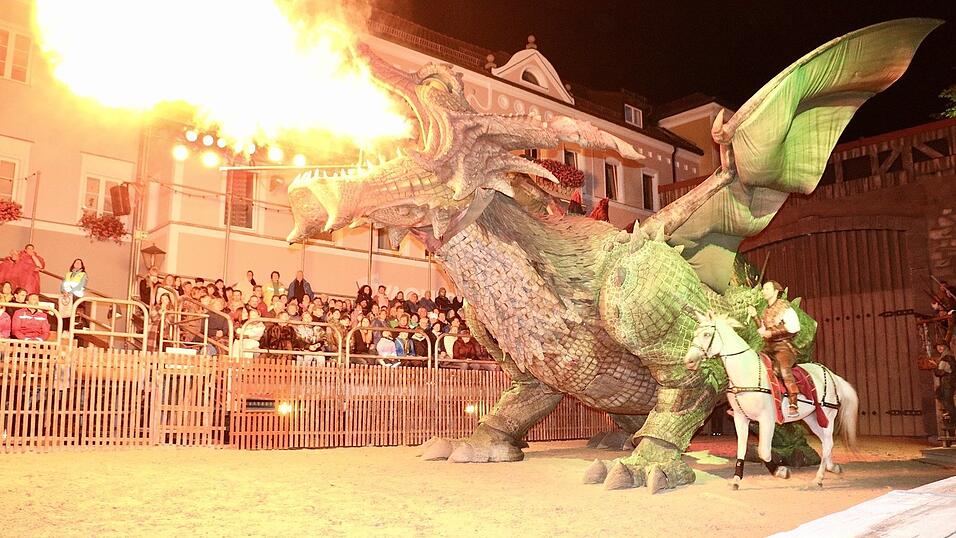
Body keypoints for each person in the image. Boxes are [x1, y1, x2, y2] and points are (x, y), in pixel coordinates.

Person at [755, 281, 802, 417]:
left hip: (783, 347)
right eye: (763, 288)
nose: (763, 291)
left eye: (767, 288)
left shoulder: (785, 308)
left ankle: (794, 402)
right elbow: (763, 331)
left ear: (776, 291)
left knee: (782, 368)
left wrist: (773, 333)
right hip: (768, 347)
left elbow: (794, 327)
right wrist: (754, 316)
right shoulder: (766, 311)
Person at [935, 342, 956, 427]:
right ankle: (951, 413)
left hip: (948, 382)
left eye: (941, 346)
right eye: (938, 347)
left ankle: (953, 418)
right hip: (947, 381)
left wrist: (935, 367)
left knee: (947, 400)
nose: (939, 348)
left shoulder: (947, 357)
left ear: (945, 347)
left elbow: (940, 372)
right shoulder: (945, 356)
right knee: (940, 394)